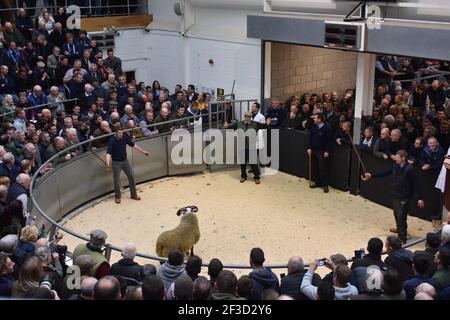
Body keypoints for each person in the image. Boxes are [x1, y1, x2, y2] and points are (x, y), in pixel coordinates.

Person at [362, 150, 425, 243]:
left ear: (403, 158)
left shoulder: (409, 169)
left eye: (398, 157)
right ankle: (400, 229)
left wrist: (420, 198)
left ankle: (402, 239)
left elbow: (416, 184)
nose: (396, 158)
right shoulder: (395, 166)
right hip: (396, 194)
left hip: (405, 196)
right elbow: (385, 172)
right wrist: (372, 175)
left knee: (401, 216)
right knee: (396, 214)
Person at [106, 126, 150, 204]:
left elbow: (133, 145)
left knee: (131, 176)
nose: (121, 134)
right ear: (116, 133)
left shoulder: (124, 137)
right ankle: (117, 196)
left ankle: (133, 195)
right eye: (119, 133)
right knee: (116, 180)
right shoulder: (112, 140)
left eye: (122, 132)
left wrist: (143, 151)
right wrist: (108, 163)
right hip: (116, 163)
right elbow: (108, 153)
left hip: (125, 161)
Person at [224, 112, 267, 184]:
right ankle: (243, 176)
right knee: (243, 163)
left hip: (252, 147)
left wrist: (267, 123)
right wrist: (226, 126)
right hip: (242, 146)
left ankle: (256, 177)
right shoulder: (239, 123)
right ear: (244, 117)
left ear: (251, 117)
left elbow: (264, 126)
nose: (247, 118)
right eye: (246, 116)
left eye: (249, 117)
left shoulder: (255, 124)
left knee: (253, 163)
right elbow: (230, 127)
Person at [307, 112, 333, 193]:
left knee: (322, 168)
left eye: (315, 118)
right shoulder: (313, 126)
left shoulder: (327, 127)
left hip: (322, 151)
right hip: (314, 150)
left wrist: (327, 151)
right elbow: (310, 138)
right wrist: (309, 148)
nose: (313, 119)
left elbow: (329, 141)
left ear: (320, 119)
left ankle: (325, 185)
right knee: (315, 167)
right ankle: (317, 183)